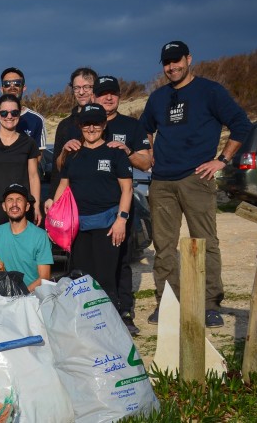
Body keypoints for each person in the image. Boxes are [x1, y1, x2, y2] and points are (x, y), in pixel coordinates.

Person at [139, 40, 252, 327]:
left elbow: (241, 125)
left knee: (205, 242)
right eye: (167, 63)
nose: (172, 67)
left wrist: (222, 160)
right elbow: (144, 129)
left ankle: (209, 303)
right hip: (162, 181)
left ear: (189, 59)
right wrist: (149, 152)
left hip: (197, 178)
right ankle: (167, 302)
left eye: (177, 60)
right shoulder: (158, 98)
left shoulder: (210, 91)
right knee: (164, 245)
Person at [46, 103, 133, 311]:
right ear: (80, 126)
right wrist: (55, 220)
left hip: (108, 224)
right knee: (81, 278)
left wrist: (121, 219)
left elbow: (127, 189)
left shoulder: (115, 153)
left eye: (96, 123)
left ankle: (111, 324)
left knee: (105, 278)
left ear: (104, 125)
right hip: (78, 225)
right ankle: (87, 322)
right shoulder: (73, 153)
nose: (91, 128)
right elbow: (63, 186)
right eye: (86, 124)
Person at [94, 75, 152, 336]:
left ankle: (124, 311)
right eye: (103, 93)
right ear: (94, 97)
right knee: (91, 261)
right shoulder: (85, 124)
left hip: (122, 203)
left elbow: (146, 162)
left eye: (113, 93)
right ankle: (94, 313)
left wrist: (127, 151)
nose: (108, 98)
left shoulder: (131, 125)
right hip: (90, 206)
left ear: (119, 96)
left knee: (122, 260)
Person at [0, 94, 41, 240]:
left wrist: (36, 206)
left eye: (14, 112)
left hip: (21, 206)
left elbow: (34, 176)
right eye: (4, 113)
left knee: (22, 252)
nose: (9, 116)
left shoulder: (29, 143)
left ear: (19, 114)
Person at [0, 183, 53, 291]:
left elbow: (44, 277)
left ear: (27, 206)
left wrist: (21, 295)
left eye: (19, 199)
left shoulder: (40, 236)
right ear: (4, 206)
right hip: (0, 297)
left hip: (30, 297)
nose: (14, 204)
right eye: (9, 200)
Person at [49, 67, 99, 195]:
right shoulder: (64, 125)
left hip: (101, 194)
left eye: (87, 87)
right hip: (70, 193)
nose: (81, 92)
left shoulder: (105, 121)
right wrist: (51, 196)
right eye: (77, 88)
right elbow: (56, 168)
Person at [0, 66, 47, 151]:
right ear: (2, 89)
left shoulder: (37, 120)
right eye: (7, 84)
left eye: (17, 83)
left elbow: (38, 156)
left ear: (24, 88)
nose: (12, 87)